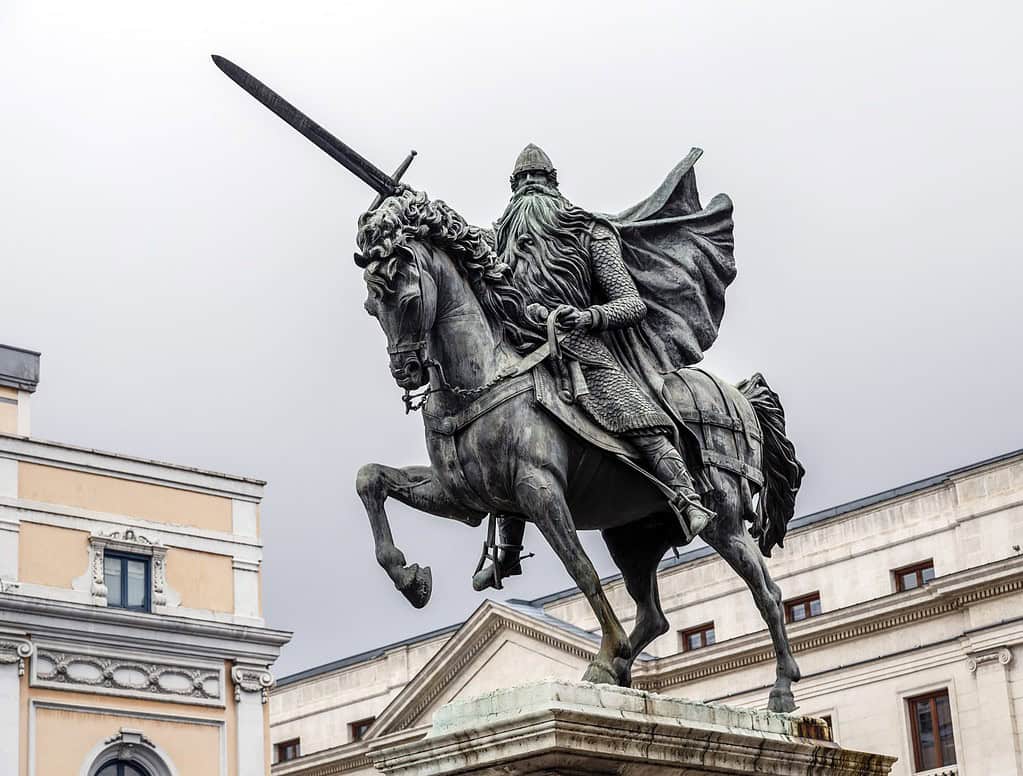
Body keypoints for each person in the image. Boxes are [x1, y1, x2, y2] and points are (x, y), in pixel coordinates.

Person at [472, 144, 721, 591]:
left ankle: (685, 493)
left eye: (537, 181)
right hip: (519, 352)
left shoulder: (591, 233)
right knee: (497, 430)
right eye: (522, 184)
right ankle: (507, 551)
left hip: (583, 347)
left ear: (553, 185)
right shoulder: (495, 241)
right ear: (512, 192)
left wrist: (588, 317)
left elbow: (631, 304)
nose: (530, 191)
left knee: (629, 409)